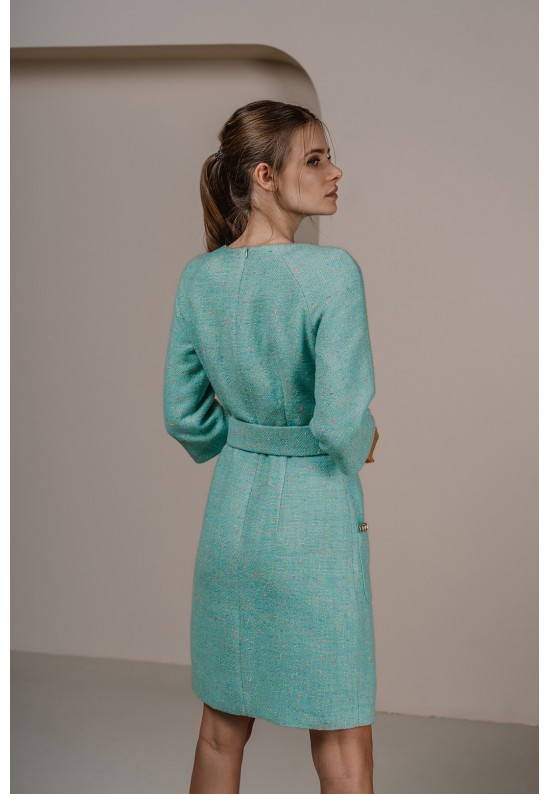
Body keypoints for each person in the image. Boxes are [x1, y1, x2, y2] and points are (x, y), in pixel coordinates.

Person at [163, 99, 380, 794]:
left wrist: (248, 438)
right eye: (315, 160)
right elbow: (341, 423)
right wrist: (364, 441)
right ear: (263, 175)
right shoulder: (330, 272)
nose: (334, 172)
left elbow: (184, 417)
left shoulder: (200, 278)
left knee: (220, 730)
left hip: (232, 517)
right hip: (312, 525)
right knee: (342, 733)